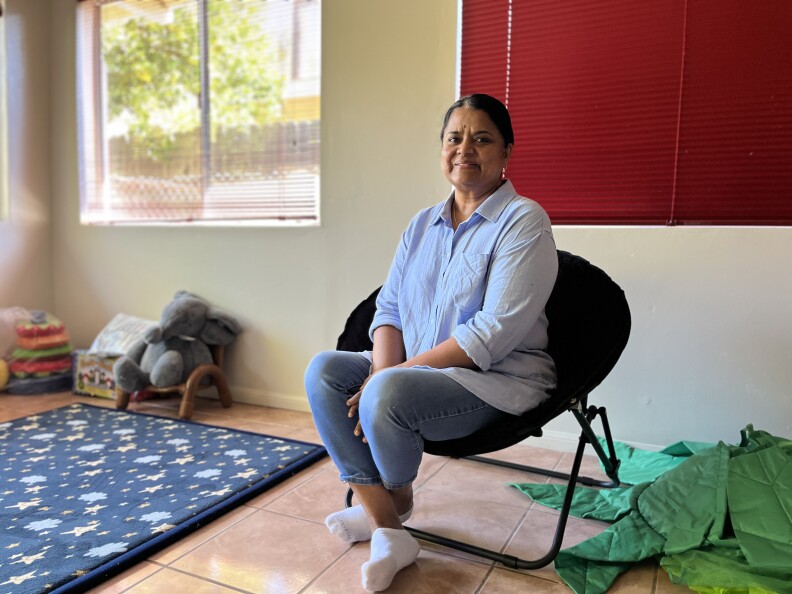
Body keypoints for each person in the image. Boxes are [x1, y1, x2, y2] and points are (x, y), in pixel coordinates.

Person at [304, 94, 558, 592]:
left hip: (492, 380)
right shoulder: (422, 224)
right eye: (454, 138)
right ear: (442, 149)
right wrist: (382, 369)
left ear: (507, 151)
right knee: (325, 371)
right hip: (414, 372)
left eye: (482, 138)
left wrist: (394, 377)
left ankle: (391, 508)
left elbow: (489, 335)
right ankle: (388, 525)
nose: (466, 148)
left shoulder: (525, 222)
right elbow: (390, 310)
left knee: (388, 390)